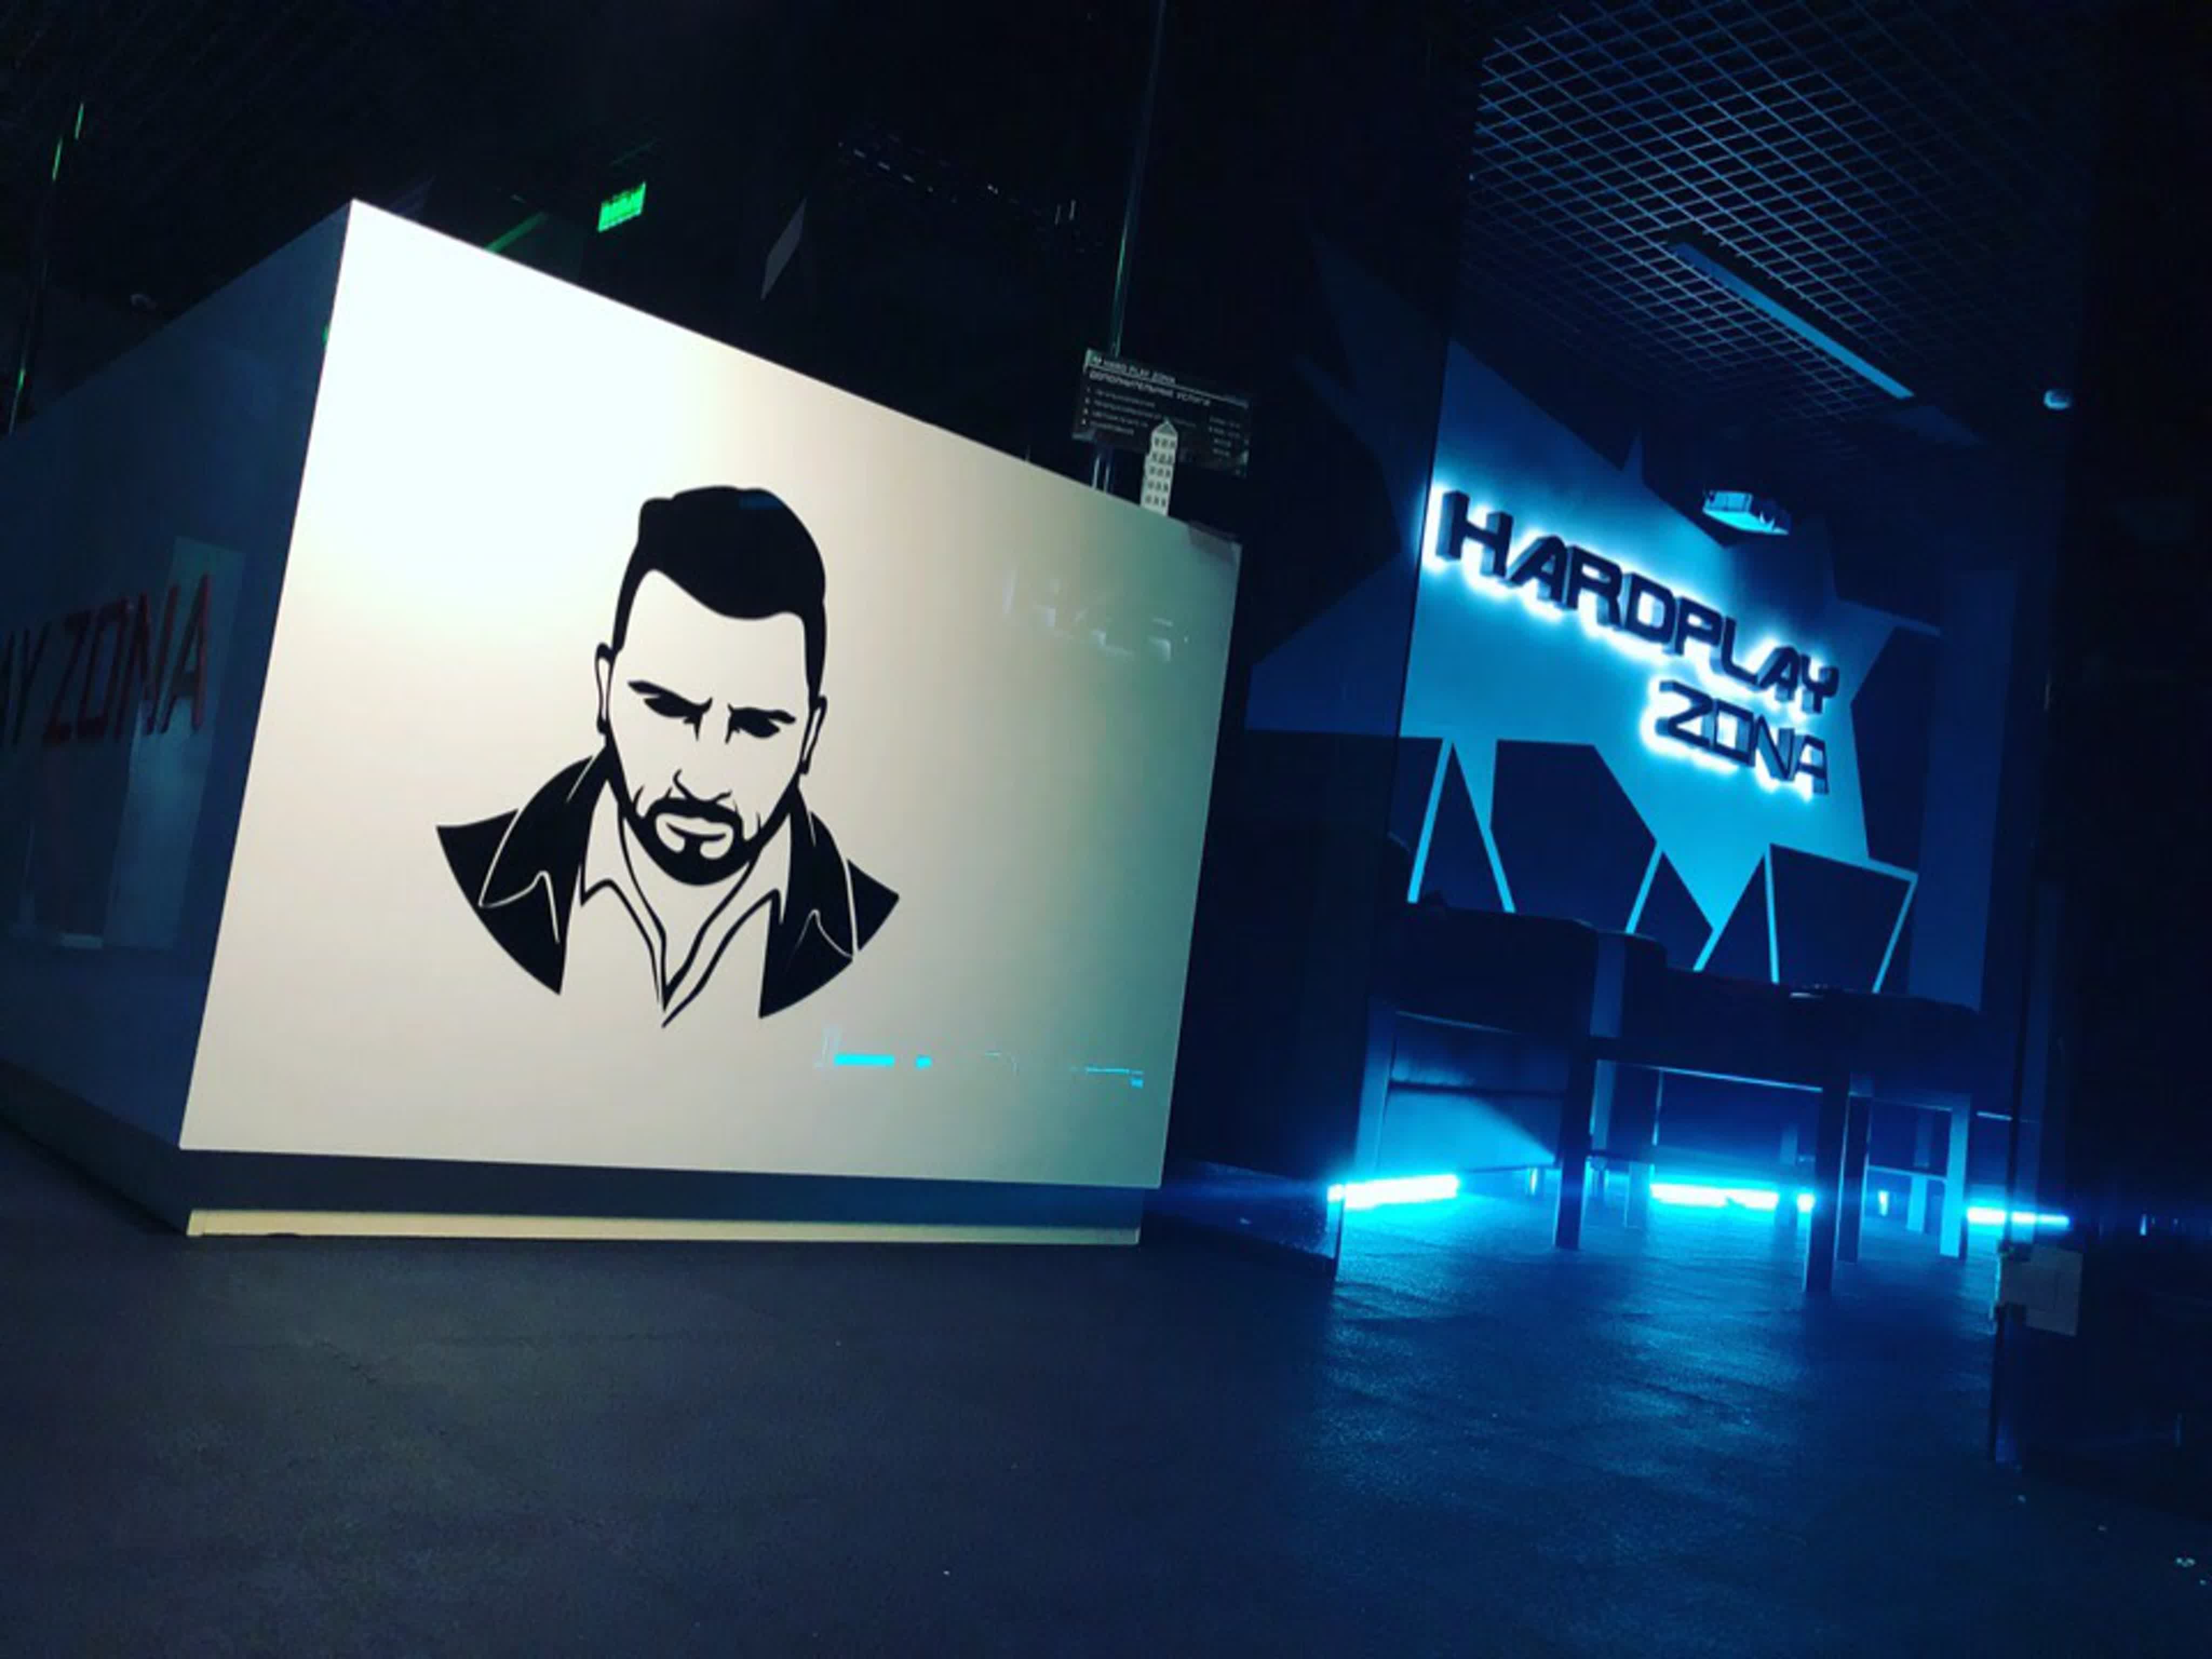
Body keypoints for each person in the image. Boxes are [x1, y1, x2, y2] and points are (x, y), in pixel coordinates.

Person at [439, 487, 895, 1024]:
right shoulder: (476, 872)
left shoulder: (869, 932)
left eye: (756, 726)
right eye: (667, 707)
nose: (703, 779)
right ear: (605, 689)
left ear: (810, 737)